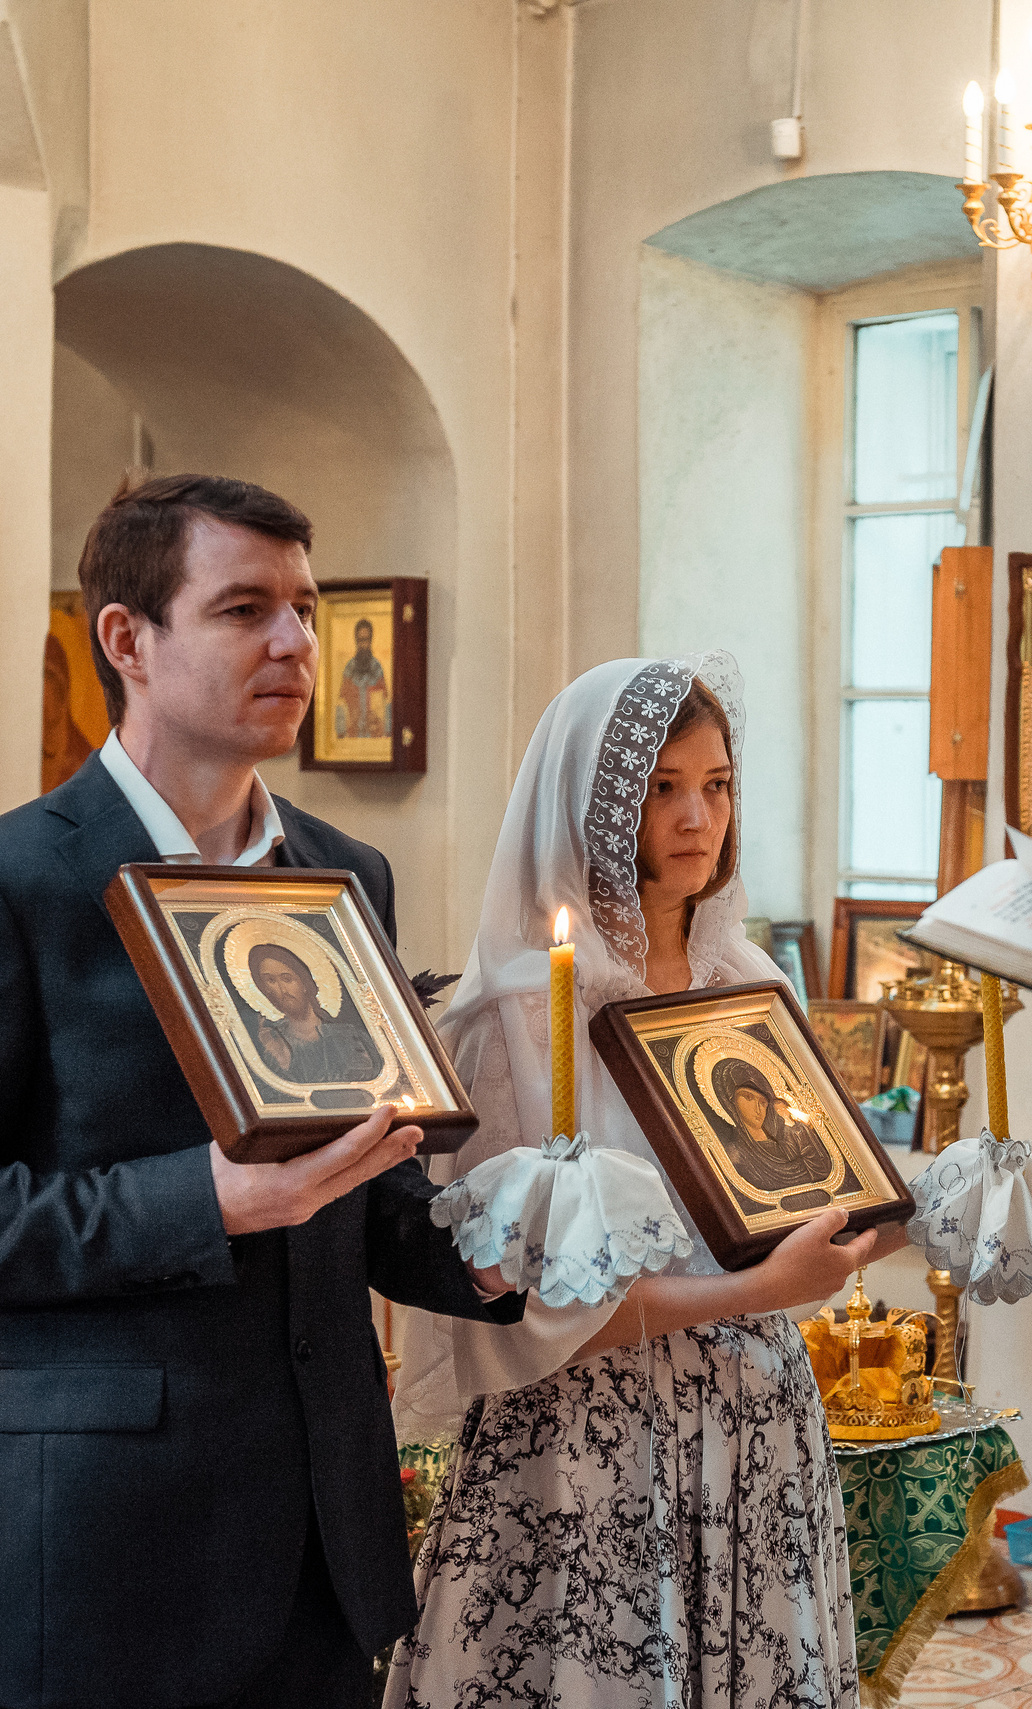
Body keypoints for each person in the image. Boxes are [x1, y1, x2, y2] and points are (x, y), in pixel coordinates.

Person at [0, 473, 519, 1709]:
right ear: (126, 639)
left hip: (321, 1550)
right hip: (102, 1552)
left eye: (304, 608)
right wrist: (203, 1199)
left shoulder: (342, 873)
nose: (296, 641)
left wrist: (493, 1247)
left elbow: (362, 1184)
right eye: (246, 608)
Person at [386, 652, 910, 1709]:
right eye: (663, 787)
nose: (697, 817)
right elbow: (516, 1306)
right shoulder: (513, 1019)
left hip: (754, 1431)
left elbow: (810, 1195)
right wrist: (758, 1290)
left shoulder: (749, 984)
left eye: (717, 785)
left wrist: (893, 1212)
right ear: (596, 805)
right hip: (586, 1448)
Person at [710, 1054, 850, 1200]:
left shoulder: (789, 1138)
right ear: (730, 1101)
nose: (758, 1109)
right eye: (748, 1097)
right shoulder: (736, 1153)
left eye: (763, 1102)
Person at [247, 940, 385, 1084]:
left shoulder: (349, 1035)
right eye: (270, 981)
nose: (282, 989)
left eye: (287, 979)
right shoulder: (272, 1042)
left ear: (304, 983)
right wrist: (281, 1061)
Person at [337, 617, 389, 739]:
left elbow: (385, 702)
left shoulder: (377, 668)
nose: (363, 645)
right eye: (360, 640)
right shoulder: (349, 668)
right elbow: (342, 702)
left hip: (374, 734)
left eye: (366, 640)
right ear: (356, 640)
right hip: (353, 734)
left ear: (371, 640)